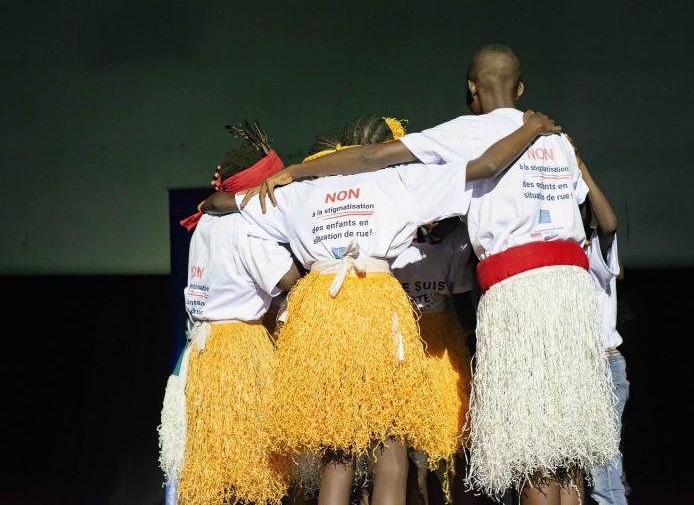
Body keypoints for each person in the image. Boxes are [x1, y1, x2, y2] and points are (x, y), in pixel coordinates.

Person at [237, 44, 618, 504]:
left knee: (533, 448)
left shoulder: (465, 132)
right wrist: (535, 126)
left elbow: (372, 158)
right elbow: (601, 219)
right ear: (520, 88)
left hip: (521, 295)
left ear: (471, 89)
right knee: (567, 446)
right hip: (573, 296)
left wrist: (297, 171)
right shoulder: (556, 139)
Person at [199, 109, 559, 505]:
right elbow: (486, 165)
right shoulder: (401, 181)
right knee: (389, 440)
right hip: (374, 309)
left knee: (338, 451)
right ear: (382, 147)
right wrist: (531, 129)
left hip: (321, 314)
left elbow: (216, 204)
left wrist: (258, 189)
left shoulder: (299, 191)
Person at [157, 121, 301, 505]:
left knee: (213, 462)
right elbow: (289, 280)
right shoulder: (247, 229)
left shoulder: (204, 223)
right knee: (251, 468)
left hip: (204, 354)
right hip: (241, 353)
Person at [390, 217, 473, 505]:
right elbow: (462, 301)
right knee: (418, 455)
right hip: (406, 348)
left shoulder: (453, 240)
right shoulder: (392, 242)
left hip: (439, 348)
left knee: (453, 446)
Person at [572, 139, 629, 505]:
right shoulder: (550, 257)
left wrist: (579, 167)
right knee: (581, 470)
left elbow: (609, 222)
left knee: (602, 473)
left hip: (603, 366)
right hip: (572, 368)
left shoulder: (595, 248)